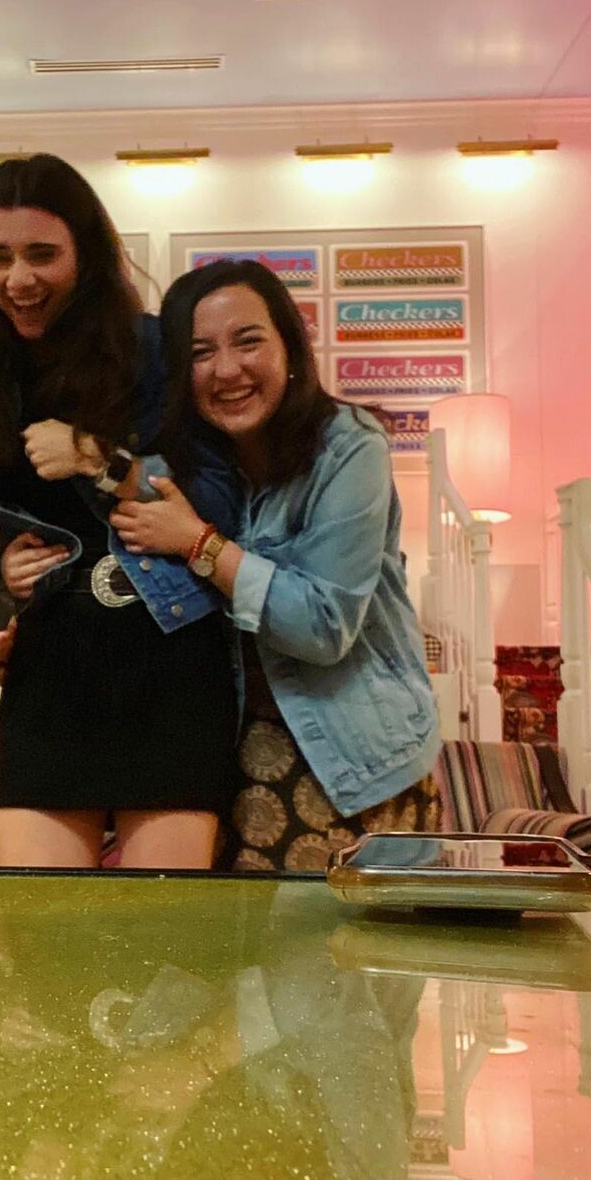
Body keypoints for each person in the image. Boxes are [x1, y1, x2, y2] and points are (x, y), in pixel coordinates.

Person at [0, 154, 242, 870]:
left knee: (162, 930)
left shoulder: (154, 349)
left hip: (168, 651)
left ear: (86, 253)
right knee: (37, 923)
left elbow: (223, 497)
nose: (19, 278)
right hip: (49, 664)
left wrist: (100, 459)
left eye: (42, 254)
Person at [110, 259, 441, 871]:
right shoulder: (185, 466)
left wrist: (201, 545)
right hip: (217, 762)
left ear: (289, 346)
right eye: (201, 352)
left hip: (352, 761)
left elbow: (324, 625)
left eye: (248, 341)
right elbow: (118, 574)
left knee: (359, 939)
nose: (226, 369)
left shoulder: (349, 446)